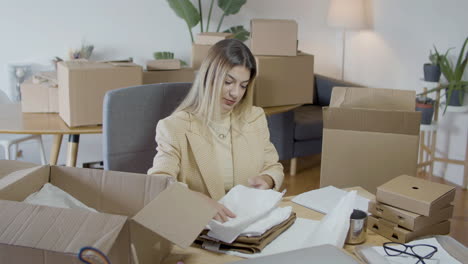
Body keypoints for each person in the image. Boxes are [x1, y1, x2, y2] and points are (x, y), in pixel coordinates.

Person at [148, 39, 284, 222]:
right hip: (200, 225)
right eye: (229, 82)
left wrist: (268, 179)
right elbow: (159, 182)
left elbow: (273, 166)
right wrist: (195, 200)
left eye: (243, 85)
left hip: (247, 222)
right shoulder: (174, 127)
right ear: (208, 78)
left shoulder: (255, 117)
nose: (235, 93)